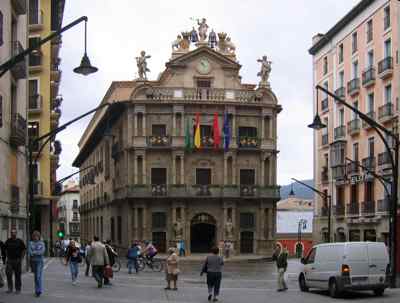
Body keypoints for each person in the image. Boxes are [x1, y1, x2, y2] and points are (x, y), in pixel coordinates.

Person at [3, 229, 26, 294]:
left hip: (17, 260)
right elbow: (4, 249)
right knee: (8, 274)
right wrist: (6, 257)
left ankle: (18, 289)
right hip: (10, 260)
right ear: (10, 234)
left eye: (14, 233)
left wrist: (21, 259)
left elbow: (24, 250)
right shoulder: (8, 241)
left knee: (17, 275)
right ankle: (10, 288)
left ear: (16, 233)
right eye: (12, 233)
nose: (13, 234)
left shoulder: (20, 241)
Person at [28, 231, 45, 297]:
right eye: (34, 236)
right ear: (33, 237)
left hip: (39, 262)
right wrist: (36, 252)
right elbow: (30, 252)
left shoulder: (42, 243)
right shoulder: (30, 243)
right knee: (36, 277)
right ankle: (36, 290)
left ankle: (39, 291)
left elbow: (42, 252)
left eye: (37, 236)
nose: (35, 237)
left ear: (39, 236)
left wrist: (34, 252)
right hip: (33, 262)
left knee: (38, 276)